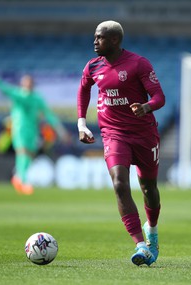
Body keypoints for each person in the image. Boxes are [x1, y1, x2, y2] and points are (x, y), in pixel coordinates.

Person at [76, 20, 165, 266]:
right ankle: (140, 245)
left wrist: (146, 107)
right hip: (114, 134)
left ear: (114, 40)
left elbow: (159, 97)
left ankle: (153, 231)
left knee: (149, 189)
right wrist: (82, 123)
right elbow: (84, 89)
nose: (94, 41)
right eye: (94, 37)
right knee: (119, 183)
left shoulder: (138, 64)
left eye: (99, 37)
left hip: (144, 134)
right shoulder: (93, 66)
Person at [0, 64, 68, 195]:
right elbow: (4, 88)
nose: (27, 85)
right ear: (22, 84)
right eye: (25, 82)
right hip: (20, 129)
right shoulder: (18, 94)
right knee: (22, 153)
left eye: (29, 83)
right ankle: (23, 180)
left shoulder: (37, 98)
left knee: (30, 155)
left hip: (32, 130)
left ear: (32, 84)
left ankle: (18, 178)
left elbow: (49, 114)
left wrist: (61, 131)